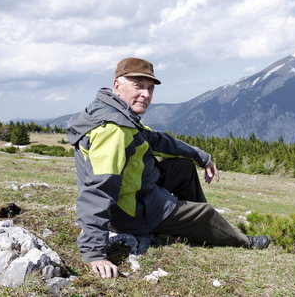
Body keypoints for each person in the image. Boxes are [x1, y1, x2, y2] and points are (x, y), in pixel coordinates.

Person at [66, 57, 269, 279]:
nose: (146, 94)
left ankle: (200, 228)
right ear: (117, 86)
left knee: (182, 167)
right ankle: (240, 241)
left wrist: (202, 157)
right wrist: (95, 252)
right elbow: (98, 190)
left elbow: (158, 140)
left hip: (138, 189)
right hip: (132, 210)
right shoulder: (114, 131)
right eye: (139, 86)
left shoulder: (114, 111)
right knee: (205, 213)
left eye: (150, 89)